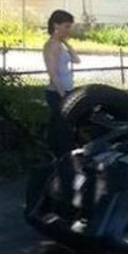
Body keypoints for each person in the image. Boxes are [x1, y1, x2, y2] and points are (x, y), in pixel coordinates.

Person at [43, 10, 80, 155]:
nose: (68, 30)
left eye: (70, 26)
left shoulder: (60, 44)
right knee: (61, 126)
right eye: (66, 26)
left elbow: (77, 60)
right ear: (56, 25)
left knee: (60, 124)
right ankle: (59, 154)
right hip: (57, 92)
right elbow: (52, 73)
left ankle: (55, 152)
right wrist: (63, 95)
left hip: (67, 89)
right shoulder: (52, 45)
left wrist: (66, 43)